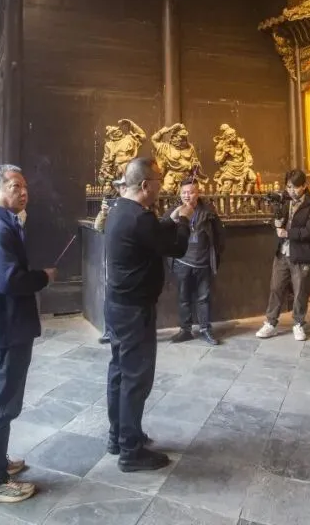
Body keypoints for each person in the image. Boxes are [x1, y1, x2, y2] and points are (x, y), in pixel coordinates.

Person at [0, 164, 55, 506]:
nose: (23, 192)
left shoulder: (2, 223)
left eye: (25, 187)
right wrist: (43, 277)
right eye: (15, 186)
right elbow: (9, 281)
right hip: (3, 328)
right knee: (0, 406)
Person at [104, 157, 190, 472]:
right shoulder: (139, 218)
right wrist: (184, 221)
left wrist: (169, 218)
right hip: (134, 310)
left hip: (117, 305)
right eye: (158, 181)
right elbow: (176, 247)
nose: (161, 186)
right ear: (145, 185)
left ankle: (119, 436)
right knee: (136, 378)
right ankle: (131, 451)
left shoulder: (120, 210)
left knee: (119, 371)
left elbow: (151, 233)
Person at [256, 169, 310, 341]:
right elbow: (278, 222)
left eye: (295, 187)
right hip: (282, 252)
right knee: (276, 288)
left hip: (301, 254)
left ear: (305, 185)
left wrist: (288, 233)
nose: (291, 191)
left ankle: (299, 323)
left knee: (300, 291)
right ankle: (270, 322)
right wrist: (276, 223)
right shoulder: (284, 200)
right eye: (289, 187)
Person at [168, 178, 224, 346]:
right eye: (184, 192)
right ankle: (185, 330)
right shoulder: (175, 211)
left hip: (203, 263)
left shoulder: (208, 211)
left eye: (191, 192)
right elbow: (165, 231)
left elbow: (219, 235)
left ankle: (205, 329)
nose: (187, 196)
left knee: (203, 298)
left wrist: (215, 256)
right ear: (180, 194)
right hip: (182, 262)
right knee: (183, 298)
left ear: (198, 193)